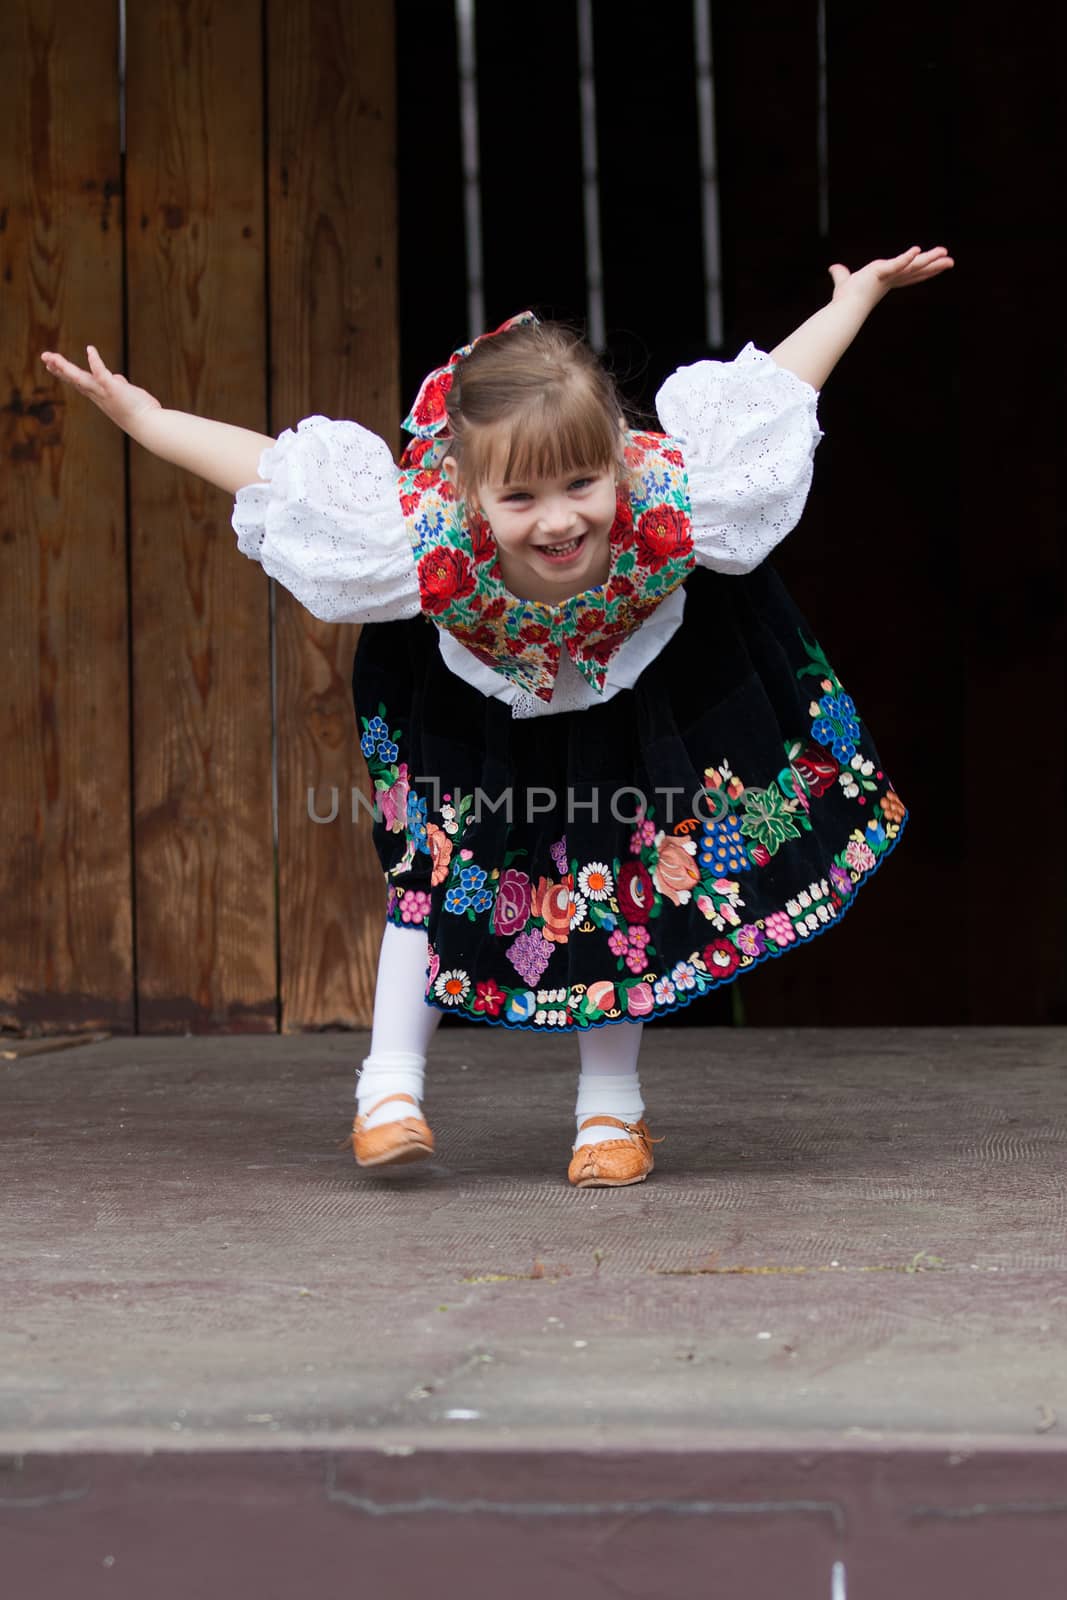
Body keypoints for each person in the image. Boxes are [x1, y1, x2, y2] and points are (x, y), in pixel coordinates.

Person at [39, 242, 954, 1189]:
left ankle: (610, 1115)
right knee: (436, 870)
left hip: (625, 690)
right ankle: (387, 1092)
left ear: (615, 459)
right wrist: (148, 420)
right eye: (518, 498)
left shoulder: (672, 492)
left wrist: (855, 298)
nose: (557, 521)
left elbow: (780, 386)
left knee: (616, 877)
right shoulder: (415, 529)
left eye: (580, 486)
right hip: (471, 702)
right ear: (466, 490)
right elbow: (268, 470)